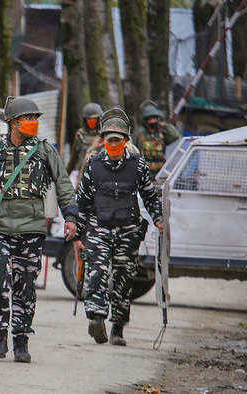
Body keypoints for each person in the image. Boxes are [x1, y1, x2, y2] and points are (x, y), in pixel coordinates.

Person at [0, 97, 78, 363]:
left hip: (31, 229)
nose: (33, 123)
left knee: (25, 287)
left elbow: (63, 183)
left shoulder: (45, 150)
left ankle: (21, 342)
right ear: (12, 123)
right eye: (27, 119)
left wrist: (71, 216)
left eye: (35, 119)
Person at [74, 107, 163, 346]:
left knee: (124, 278)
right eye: (109, 140)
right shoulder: (93, 165)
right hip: (99, 228)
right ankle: (96, 318)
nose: (113, 144)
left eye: (117, 140)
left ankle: (118, 327)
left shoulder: (138, 165)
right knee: (97, 272)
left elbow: (150, 196)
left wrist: (158, 218)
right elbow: (82, 202)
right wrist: (77, 232)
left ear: (125, 141)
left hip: (127, 229)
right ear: (103, 141)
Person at [132, 100, 181, 178]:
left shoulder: (161, 133)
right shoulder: (139, 134)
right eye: (150, 119)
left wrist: (164, 126)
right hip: (144, 174)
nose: (153, 121)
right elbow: (132, 151)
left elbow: (175, 136)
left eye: (155, 118)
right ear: (145, 120)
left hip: (160, 174)